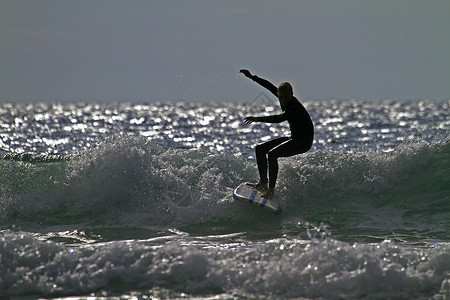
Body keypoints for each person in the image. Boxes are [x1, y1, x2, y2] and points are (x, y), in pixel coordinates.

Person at [240, 69, 314, 198]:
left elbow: (279, 119)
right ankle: (263, 182)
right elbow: (269, 86)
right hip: (294, 138)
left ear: (292, 94)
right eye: (281, 97)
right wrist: (252, 77)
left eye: (286, 97)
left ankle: (271, 190)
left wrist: (258, 119)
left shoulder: (294, 107)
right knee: (260, 149)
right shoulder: (281, 96)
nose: (283, 100)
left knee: (272, 154)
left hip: (303, 142)